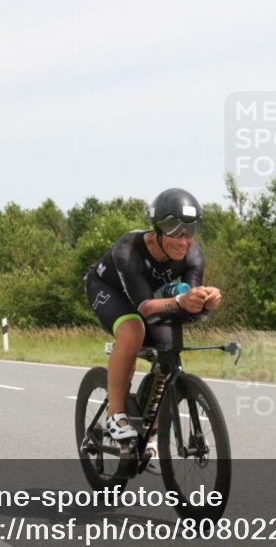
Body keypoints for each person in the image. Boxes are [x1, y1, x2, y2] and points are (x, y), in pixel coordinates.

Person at [84, 189, 223, 472]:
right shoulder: (129, 250)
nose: (183, 240)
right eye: (175, 230)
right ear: (157, 228)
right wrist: (181, 301)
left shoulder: (193, 253)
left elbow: (189, 296)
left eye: (190, 231)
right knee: (133, 330)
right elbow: (145, 307)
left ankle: (149, 435)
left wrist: (206, 300)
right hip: (109, 290)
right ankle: (115, 415)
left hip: (153, 296)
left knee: (168, 353)